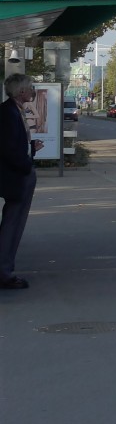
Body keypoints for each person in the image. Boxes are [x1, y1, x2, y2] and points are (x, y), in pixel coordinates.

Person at [1, 73, 43, 290]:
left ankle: (5, 269)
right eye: (30, 87)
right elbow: (8, 148)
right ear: (21, 91)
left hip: (20, 171)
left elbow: (15, 144)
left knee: (14, 223)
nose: (33, 90)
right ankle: (4, 272)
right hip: (17, 176)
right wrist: (26, 165)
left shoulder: (14, 110)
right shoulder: (7, 113)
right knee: (12, 223)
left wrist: (30, 149)